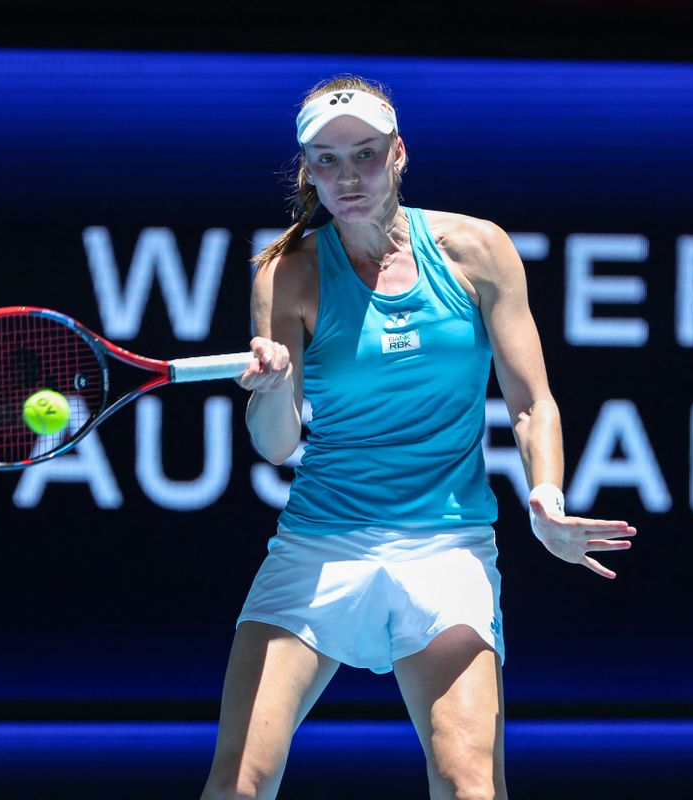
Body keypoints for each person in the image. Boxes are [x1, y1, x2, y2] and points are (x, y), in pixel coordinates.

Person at [201, 75, 636, 800]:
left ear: (399, 153)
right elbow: (276, 446)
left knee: (470, 784)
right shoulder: (288, 274)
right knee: (239, 784)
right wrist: (274, 387)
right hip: (321, 546)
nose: (348, 177)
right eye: (328, 160)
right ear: (307, 169)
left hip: (448, 546)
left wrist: (548, 499)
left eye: (365, 155)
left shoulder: (477, 250)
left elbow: (532, 403)